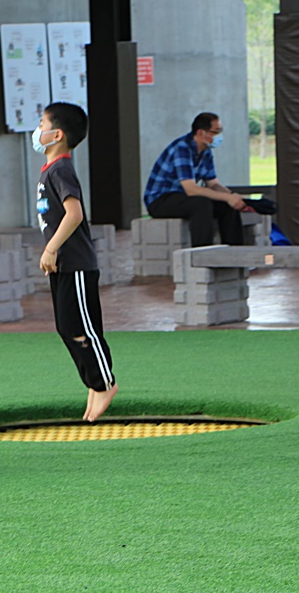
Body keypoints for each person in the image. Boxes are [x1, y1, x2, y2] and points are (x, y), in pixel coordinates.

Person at [34, 102, 118, 421]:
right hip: (63, 265)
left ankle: (104, 383)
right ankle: (94, 384)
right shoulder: (50, 170)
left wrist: (51, 248)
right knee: (66, 326)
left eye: (42, 124)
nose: (37, 130)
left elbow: (75, 213)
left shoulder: (62, 169)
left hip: (77, 263)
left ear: (57, 134)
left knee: (81, 326)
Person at [143, 112, 247, 247]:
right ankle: (201, 255)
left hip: (182, 197)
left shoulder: (206, 152)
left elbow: (213, 183)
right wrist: (226, 197)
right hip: (160, 200)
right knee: (201, 204)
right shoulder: (182, 149)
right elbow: (191, 189)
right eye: (215, 132)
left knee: (227, 205)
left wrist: (231, 197)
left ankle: (235, 253)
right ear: (200, 132)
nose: (219, 136)